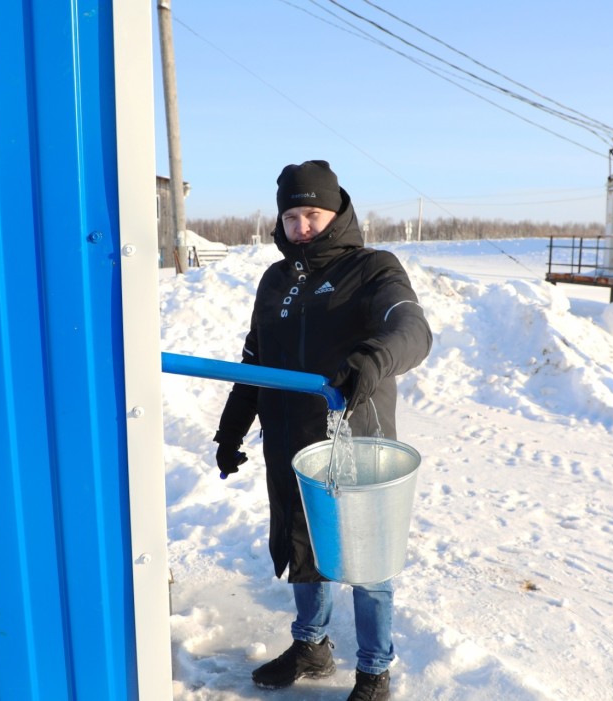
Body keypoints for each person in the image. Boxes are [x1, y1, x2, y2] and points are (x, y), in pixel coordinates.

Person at [213, 160, 432, 701]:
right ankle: (311, 645)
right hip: (288, 441)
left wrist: (376, 356)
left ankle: (374, 672)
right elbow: (252, 361)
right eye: (291, 216)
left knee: (366, 559)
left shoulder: (374, 268)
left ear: (336, 212)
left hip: (353, 439)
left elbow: (413, 329)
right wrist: (231, 429)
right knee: (300, 542)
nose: (301, 226)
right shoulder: (275, 279)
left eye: (311, 213)